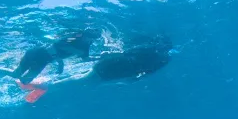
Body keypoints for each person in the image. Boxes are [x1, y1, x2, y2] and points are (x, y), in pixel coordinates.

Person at [17, 34, 175, 103]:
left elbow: (129, 55)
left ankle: (42, 85)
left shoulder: (155, 52)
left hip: (113, 68)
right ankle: (40, 86)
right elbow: (141, 71)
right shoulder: (160, 57)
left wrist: (108, 57)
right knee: (80, 81)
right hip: (114, 70)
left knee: (82, 80)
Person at [0, 28, 102, 87]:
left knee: (18, 75)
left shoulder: (86, 46)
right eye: (88, 36)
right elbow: (54, 45)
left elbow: (85, 59)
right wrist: (61, 63)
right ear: (84, 35)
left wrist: (100, 57)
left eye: (92, 38)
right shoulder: (74, 38)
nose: (88, 39)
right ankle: (5, 83)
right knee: (22, 78)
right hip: (39, 55)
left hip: (42, 58)